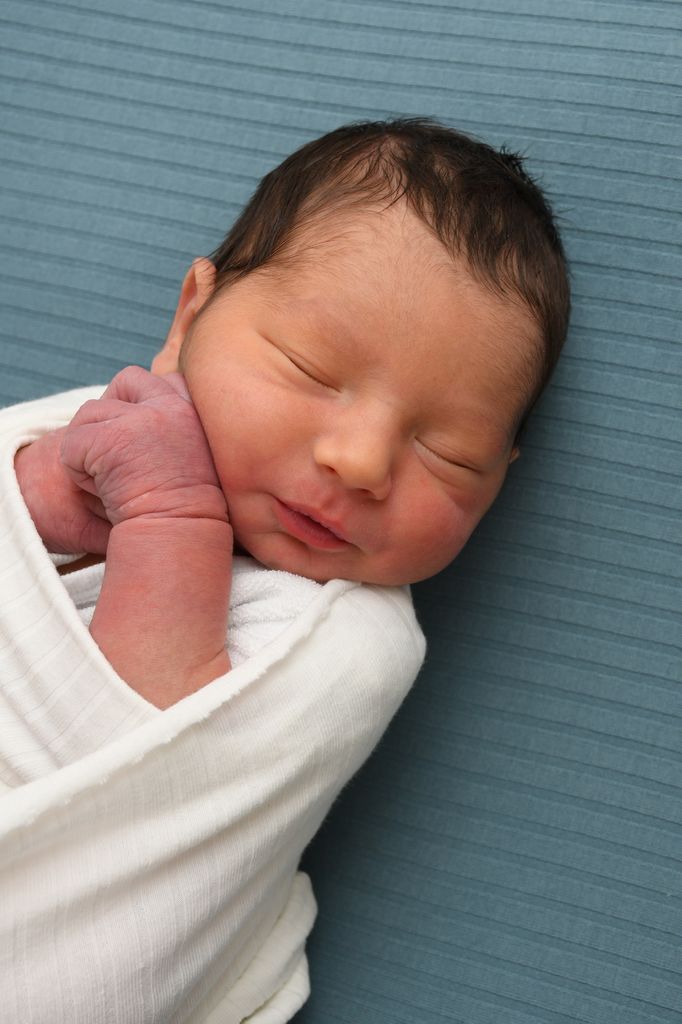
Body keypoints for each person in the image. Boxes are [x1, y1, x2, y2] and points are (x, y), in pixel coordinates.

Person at [0, 118, 570, 1021]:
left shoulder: (349, 641)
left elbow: (151, 782)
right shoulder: (95, 422)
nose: (362, 460)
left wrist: (170, 520)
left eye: (449, 452)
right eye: (310, 369)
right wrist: (30, 491)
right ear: (191, 317)